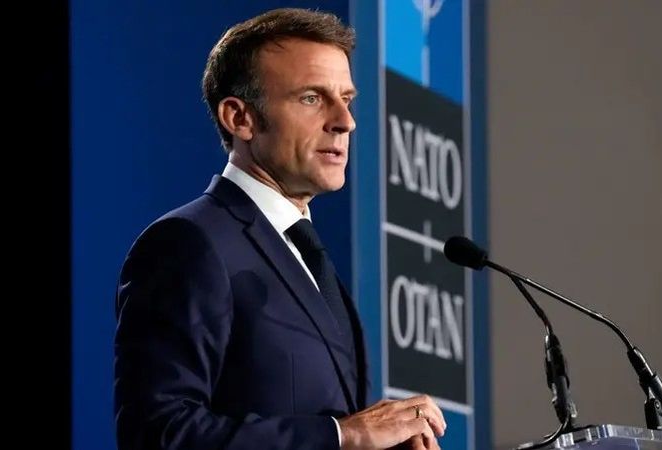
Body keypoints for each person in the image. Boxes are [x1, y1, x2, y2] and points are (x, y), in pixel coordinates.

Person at [114, 8, 446, 450]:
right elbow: (158, 433)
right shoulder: (189, 242)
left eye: (346, 98)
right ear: (240, 118)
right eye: (312, 97)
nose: (345, 121)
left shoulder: (304, 252)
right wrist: (345, 434)